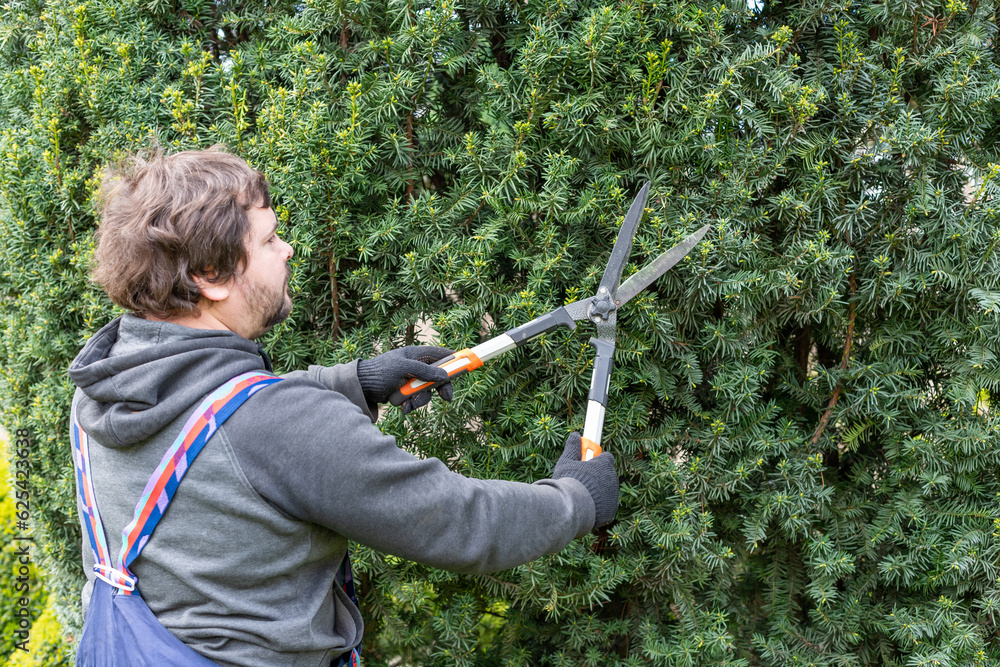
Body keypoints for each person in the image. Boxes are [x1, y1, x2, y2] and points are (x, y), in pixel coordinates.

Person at [68, 144, 619, 666]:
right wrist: (576, 501)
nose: (286, 250)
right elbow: (459, 520)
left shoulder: (105, 389)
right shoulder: (280, 429)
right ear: (210, 277)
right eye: (269, 240)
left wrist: (355, 382)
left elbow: (223, 421)